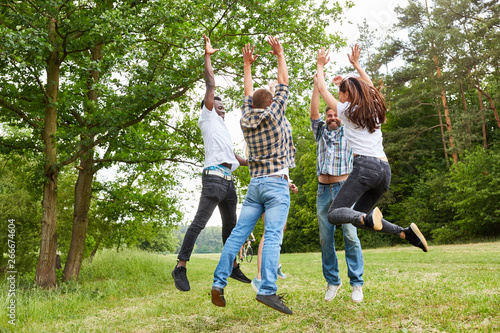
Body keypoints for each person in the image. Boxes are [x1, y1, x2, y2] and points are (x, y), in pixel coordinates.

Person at [314, 44, 429, 253]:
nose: (338, 98)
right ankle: (405, 233)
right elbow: (370, 87)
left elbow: (322, 89)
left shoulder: (346, 110)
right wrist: (356, 65)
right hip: (384, 171)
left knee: (334, 214)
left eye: (340, 93)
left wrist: (320, 66)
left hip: (365, 167)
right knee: (360, 219)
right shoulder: (374, 107)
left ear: (346, 94)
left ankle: (367, 217)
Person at [211, 36, 296, 315]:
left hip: (255, 186)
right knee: (272, 236)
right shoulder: (275, 114)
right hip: (276, 185)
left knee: (237, 236)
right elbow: (284, 81)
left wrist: (247, 66)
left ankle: (218, 282)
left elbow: (248, 95)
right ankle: (267, 290)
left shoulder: (245, 119)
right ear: (271, 102)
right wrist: (280, 54)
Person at [171, 34, 251, 292]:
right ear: (208, 107)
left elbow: (237, 159)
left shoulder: (224, 131)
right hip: (214, 179)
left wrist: (259, 161)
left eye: (223, 107)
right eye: (218, 106)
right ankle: (181, 266)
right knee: (199, 223)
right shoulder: (207, 117)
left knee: (232, 227)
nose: (222, 108)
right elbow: (210, 83)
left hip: (229, 182)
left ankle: (233, 266)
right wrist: (207, 56)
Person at [310, 74, 365, 303]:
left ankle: (356, 284)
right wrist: (316, 86)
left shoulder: (348, 130)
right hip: (324, 192)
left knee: (350, 235)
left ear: (340, 116)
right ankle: (333, 281)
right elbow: (313, 112)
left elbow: (349, 105)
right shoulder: (321, 131)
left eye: (335, 114)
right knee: (326, 239)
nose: (332, 117)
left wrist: (340, 87)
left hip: (345, 189)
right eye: (329, 115)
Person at [251, 180, 298, 293]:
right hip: (270, 188)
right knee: (269, 231)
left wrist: (290, 184)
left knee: (280, 229)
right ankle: (260, 277)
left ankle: (274, 264)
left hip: (281, 190)